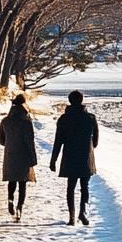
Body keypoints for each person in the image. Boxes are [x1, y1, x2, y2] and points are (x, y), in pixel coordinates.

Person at [50, 89, 99, 226]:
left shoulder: (64, 119)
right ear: (82, 101)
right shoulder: (90, 118)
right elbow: (95, 141)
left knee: (70, 187)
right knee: (85, 186)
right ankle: (83, 212)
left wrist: (53, 159)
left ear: (70, 101)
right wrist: (88, 148)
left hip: (70, 156)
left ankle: (71, 217)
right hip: (85, 157)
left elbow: (58, 141)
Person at [0, 94, 37, 222]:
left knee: (12, 181)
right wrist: (33, 158)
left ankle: (10, 199)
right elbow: (30, 142)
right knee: (22, 183)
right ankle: (20, 208)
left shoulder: (5, 121)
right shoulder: (26, 122)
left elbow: (1, 140)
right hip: (24, 155)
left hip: (10, 154)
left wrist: (10, 144)